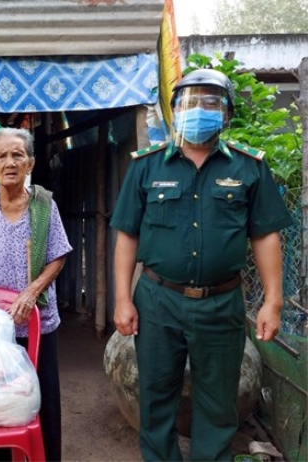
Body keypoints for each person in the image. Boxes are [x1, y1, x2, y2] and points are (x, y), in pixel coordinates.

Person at [110, 69, 293, 461]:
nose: (199, 110)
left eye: (211, 103)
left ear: (226, 114)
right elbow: (127, 235)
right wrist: (123, 299)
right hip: (157, 300)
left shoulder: (248, 167)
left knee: (218, 401)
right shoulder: (147, 166)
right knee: (156, 396)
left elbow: (265, 236)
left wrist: (273, 301)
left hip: (221, 302)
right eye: (190, 102)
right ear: (175, 110)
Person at [0, 127, 73, 462]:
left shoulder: (44, 206)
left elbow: (58, 255)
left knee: (43, 401)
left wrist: (33, 290)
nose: (10, 162)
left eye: (18, 155)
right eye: (2, 156)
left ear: (30, 163)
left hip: (37, 323)